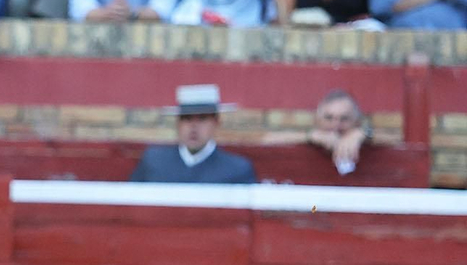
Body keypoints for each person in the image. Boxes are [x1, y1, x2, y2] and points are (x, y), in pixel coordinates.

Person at [129, 83, 257, 183]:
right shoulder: (155, 162)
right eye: (187, 118)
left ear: (216, 122)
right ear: (178, 123)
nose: (193, 127)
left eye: (202, 118)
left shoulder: (236, 170)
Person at [259, 88, 370, 173]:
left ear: (357, 122)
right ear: (317, 120)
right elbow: (265, 141)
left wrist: (363, 134)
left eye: (344, 119)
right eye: (328, 118)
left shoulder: (363, 136)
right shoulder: (311, 137)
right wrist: (310, 137)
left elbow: (380, 137)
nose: (335, 125)